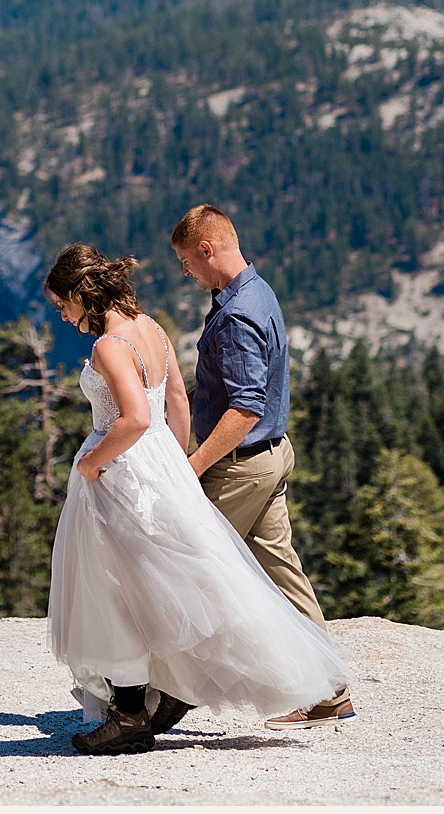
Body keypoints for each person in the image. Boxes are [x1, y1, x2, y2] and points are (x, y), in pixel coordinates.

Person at [43, 242, 354, 756]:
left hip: (124, 469)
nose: (62, 315)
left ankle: (128, 714)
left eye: (62, 304)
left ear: (82, 294)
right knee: (189, 575)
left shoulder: (108, 346)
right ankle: (166, 691)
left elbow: (136, 418)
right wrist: (178, 466)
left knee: (115, 585)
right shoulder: (153, 329)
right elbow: (176, 403)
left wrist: (93, 462)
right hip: (162, 460)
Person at [174, 202, 354, 729]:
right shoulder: (257, 290)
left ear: (207, 250)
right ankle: (329, 691)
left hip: (239, 465)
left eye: (187, 260)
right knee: (281, 571)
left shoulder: (235, 316)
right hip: (273, 455)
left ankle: (166, 693)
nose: (186, 272)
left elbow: (245, 407)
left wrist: (194, 464)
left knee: (188, 567)